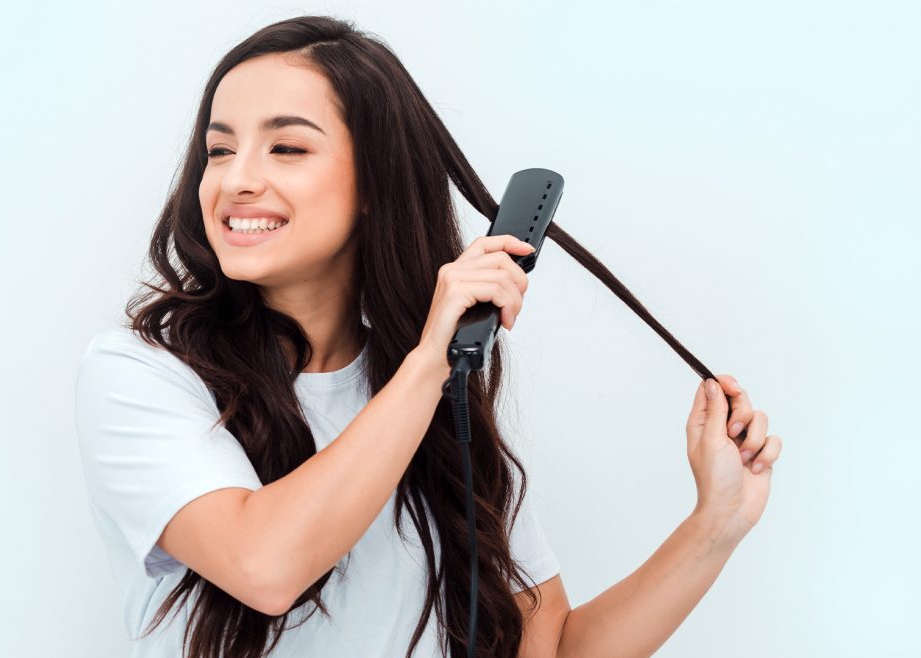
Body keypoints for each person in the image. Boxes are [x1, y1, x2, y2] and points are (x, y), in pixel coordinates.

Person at [74, 15, 782, 658]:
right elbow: (265, 566)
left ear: (375, 183)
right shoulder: (140, 375)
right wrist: (430, 362)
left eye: (286, 147)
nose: (236, 180)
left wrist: (715, 524)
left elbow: (548, 651)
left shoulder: (432, 398)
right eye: (219, 150)